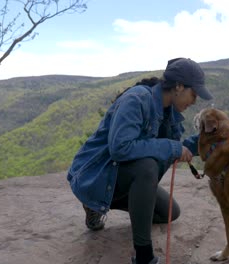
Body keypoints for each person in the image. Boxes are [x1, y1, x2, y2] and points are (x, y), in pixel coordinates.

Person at [66, 58, 213, 264]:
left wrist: (206, 141)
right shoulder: (137, 99)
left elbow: (171, 148)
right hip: (96, 176)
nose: (195, 101)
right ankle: (144, 256)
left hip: (119, 175)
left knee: (169, 213)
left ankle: (96, 207)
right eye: (194, 94)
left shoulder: (169, 111)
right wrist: (171, 148)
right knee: (147, 167)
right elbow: (120, 148)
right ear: (179, 86)